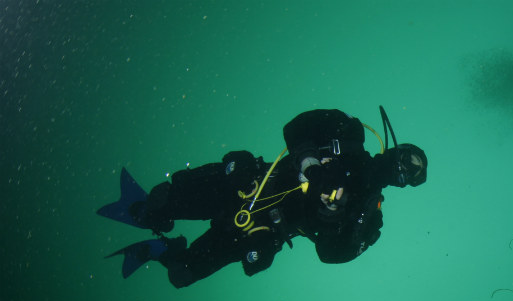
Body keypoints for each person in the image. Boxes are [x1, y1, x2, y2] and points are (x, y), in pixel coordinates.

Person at [97, 108, 427, 287]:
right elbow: (296, 127)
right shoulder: (348, 133)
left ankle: (165, 250)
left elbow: (332, 255)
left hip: (265, 231)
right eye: (409, 160)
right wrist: (312, 165)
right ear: (396, 148)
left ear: (404, 186)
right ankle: (144, 213)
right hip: (252, 185)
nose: (405, 170)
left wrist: (330, 216)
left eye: (412, 176)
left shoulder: (370, 215)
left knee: (181, 274)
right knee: (156, 204)